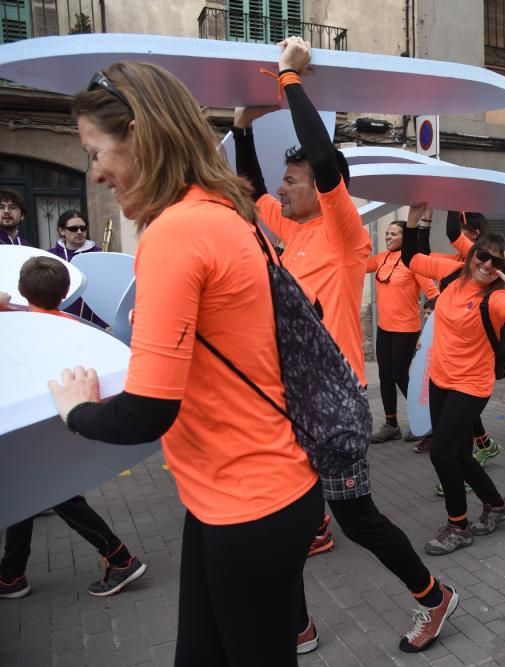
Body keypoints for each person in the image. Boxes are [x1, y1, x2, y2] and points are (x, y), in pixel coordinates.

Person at [53, 60, 324, 665]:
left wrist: (75, 410)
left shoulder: (176, 234)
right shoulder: (226, 213)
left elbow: (146, 413)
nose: (95, 173)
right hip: (248, 493)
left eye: (98, 152)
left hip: (247, 502)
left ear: (141, 135)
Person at [236, 38, 460, 654]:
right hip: (289, 400)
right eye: (282, 183)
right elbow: (248, 183)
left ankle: (435, 597)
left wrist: (289, 80)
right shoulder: (286, 224)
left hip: (334, 402)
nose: (282, 190)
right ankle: (298, 622)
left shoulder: (342, 236)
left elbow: (325, 163)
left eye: (293, 180)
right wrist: (242, 123)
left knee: (358, 518)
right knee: (280, 517)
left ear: (320, 187)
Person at [1, 256, 146, 600]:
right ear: (66, 293)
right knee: (28, 493)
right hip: (65, 423)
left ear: (22, 289)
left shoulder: (21, 327)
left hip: (44, 429)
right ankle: (11, 573)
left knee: (55, 494)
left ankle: (119, 556)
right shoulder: (68, 324)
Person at [401, 202, 505, 555]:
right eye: (483, 256)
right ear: (474, 252)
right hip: (440, 379)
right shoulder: (452, 274)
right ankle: (496, 504)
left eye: (497, 263)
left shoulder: (497, 297)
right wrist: (415, 217)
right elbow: (412, 258)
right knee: (458, 453)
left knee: (442, 454)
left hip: (471, 386)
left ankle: (458, 525)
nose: (487, 265)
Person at [418, 210, 503, 478]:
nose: (457, 240)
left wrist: (453, 195)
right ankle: (481, 447)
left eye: (464, 233)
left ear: (474, 236)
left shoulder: (479, 255)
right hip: (449, 365)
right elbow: (423, 254)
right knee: (457, 430)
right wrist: (421, 222)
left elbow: (452, 232)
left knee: (453, 438)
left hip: (473, 365)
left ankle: (473, 454)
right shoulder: (459, 264)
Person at [368, 220, 439, 442]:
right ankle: (391, 425)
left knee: (400, 375)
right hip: (384, 329)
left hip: (406, 329)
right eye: (387, 233)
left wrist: (432, 329)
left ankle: (425, 421)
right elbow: (355, 263)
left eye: (394, 234)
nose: (388, 237)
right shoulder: (381, 259)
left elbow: (433, 294)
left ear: (404, 238)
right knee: (385, 376)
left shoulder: (413, 262)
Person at [47, 210, 106, 325]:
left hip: (93, 321)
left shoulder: (99, 254)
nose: (79, 232)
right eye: (73, 229)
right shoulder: (50, 256)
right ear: (62, 231)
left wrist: (103, 323)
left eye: (83, 228)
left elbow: (105, 290)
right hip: (58, 320)